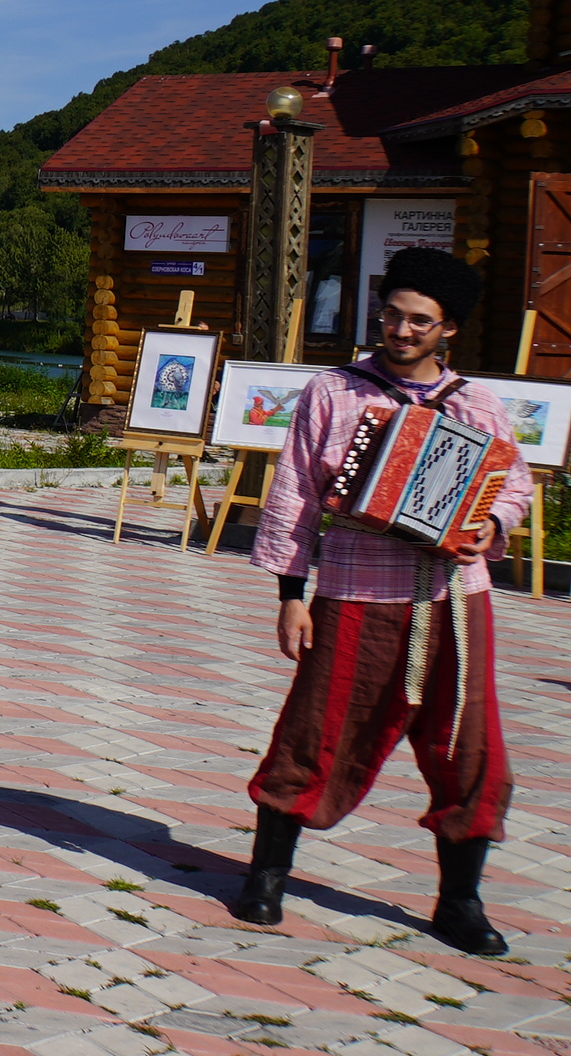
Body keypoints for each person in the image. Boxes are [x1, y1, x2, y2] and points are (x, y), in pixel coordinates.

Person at [236, 248, 530, 956]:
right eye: (392, 315)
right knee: (315, 728)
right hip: (356, 588)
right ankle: (267, 875)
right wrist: (291, 595)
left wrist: (490, 526)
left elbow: (515, 484)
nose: (400, 330)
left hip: (455, 596)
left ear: (448, 328)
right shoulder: (335, 393)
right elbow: (296, 494)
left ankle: (459, 900)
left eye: (419, 321)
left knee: (470, 747)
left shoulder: (477, 404)